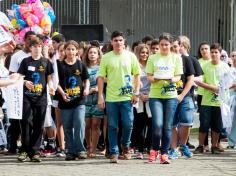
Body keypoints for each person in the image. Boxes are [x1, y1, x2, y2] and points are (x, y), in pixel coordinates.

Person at [97, 31, 141, 163]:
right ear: (111, 42)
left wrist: (136, 92)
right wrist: (100, 96)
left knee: (128, 124)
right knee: (112, 126)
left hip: (127, 97)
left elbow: (137, 75)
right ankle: (114, 152)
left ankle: (126, 146)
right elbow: (100, 77)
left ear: (124, 42)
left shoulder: (131, 56)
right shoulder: (106, 57)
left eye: (120, 40)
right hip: (111, 99)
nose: (118, 43)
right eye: (115, 40)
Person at [146, 33, 183, 164]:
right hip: (155, 96)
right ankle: (154, 150)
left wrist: (171, 79)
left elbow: (178, 76)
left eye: (166, 44)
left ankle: (165, 153)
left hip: (171, 96)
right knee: (157, 124)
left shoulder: (176, 58)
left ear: (171, 45)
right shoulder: (152, 58)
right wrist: (155, 78)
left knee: (168, 126)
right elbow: (149, 77)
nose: (164, 47)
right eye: (162, 44)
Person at [17, 37, 55, 162]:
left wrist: (51, 87)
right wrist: (25, 82)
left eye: (39, 46)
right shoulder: (25, 61)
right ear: (30, 48)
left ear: (42, 48)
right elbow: (19, 77)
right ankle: (24, 150)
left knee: (39, 125)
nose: (37, 49)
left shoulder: (46, 62)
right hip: (27, 97)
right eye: (35, 47)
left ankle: (35, 151)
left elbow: (49, 78)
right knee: (26, 122)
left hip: (41, 98)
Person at [194, 43, 230, 154]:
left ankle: (214, 146)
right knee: (204, 124)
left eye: (216, 52)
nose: (214, 54)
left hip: (220, 102)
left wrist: (220, 88)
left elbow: (228, 83)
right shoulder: (205, 66)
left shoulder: (225, 67)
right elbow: (199, 82)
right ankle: (201, 145)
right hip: (206, 101)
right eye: (212, 52)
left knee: (217, 125)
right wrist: (212, 88)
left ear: (220, 54)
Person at [57, 40, 90, 161]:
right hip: (65, 101)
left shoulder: (81, 65)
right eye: (68, 49)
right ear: (64, 51)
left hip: (79, 101)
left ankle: (80, 149)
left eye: (73, 49)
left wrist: (86, 89)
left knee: (79, 123)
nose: (70, 51)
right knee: (67, 126)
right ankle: (70, 151)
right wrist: (62, 93)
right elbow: (56, 83)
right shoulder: (60, 65)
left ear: (77, 51)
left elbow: (86, 80)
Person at [169, 37, 195, 159]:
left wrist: (182, 95)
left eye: (175, 46)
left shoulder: (186, 59)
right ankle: (173, 149)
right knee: (172, 123)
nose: (173, 48)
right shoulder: (166, 60)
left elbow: (190, 79)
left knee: (187, 121)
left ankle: (183, 145)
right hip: (169, 96)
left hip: (185, 96)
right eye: (171, 46)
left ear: (180, 46)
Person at [84, 46, 104, 158]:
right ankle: (88, 145)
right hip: (86, 98)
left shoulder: (101, 67)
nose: (92, 54)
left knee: (96, 125)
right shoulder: (83, 67)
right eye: (90, 52)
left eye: (94, 52)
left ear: (98, 54)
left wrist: (96, 88)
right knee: (87, 124)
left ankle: (94, 148)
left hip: (98, 98)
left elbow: (105, 80)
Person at [132, 44, 152, 159]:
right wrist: (139, 94)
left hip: (150, 98)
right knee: (140, 125)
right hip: (138, 98)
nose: (144, 55)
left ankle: (149, 148)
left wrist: (149, 95)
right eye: (142, 52)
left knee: (151, 124)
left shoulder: (151, 65)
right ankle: (139, 149)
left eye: (146, 52)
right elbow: (132, 82)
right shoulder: (135, 66)